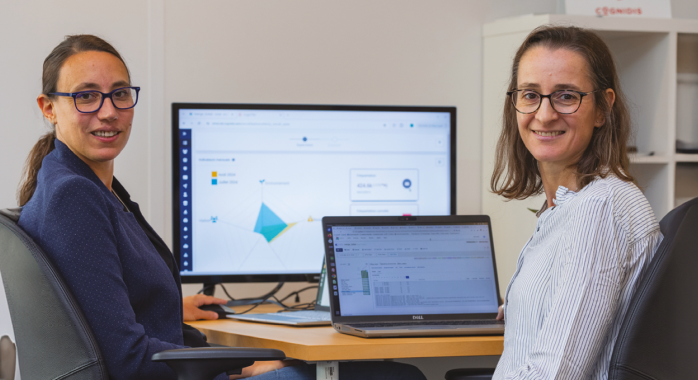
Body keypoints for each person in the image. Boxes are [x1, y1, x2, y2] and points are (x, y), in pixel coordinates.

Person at [17, 34, 426, 380]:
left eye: (120, 93)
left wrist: (170, 304)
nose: (108, 110)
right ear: (49, 107)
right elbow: (127, 359)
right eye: (86, 96)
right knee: (397, 374)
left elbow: (100, 308)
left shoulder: (79, 185)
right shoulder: (76, 197)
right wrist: (241, 366)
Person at [490, 26, 663, 379]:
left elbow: (556, 373)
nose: (545, 114)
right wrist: (523, 303)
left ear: (603, 108)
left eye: (566, 96)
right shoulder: (569, 204)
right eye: (530, 94)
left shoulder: (599, 209)